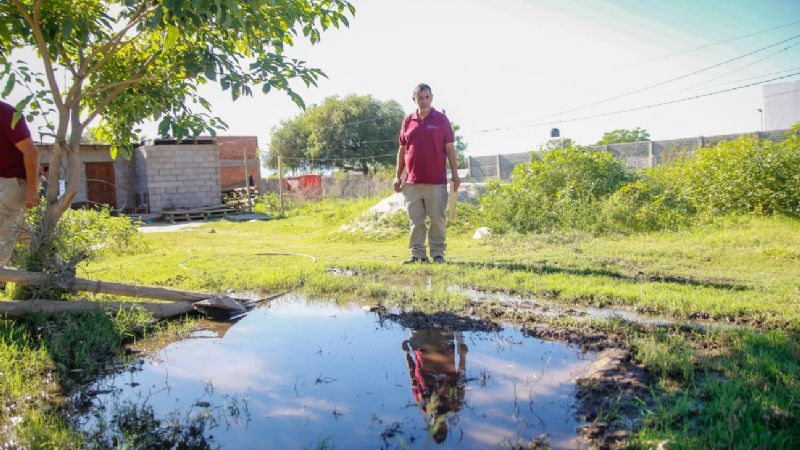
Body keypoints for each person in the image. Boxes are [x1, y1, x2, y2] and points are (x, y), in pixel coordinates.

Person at [394, 83, 461, 264]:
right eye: (420, 98)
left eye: (427, 97)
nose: (424, 101)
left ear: (431, 98)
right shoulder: (408, 121)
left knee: (437, 219)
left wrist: (455, 174)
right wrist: (397, 176)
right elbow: (402, 150)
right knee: (416, 221)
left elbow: (450, 148)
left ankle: (438, 254)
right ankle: (417, 255)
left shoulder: (441, 120)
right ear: (413, 99)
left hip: (436, 182)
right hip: (412, 182)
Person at [402, 328, 468, 444]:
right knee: (441, 314)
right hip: (443, 345)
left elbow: (414, 380)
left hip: (419, 346)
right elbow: (461, 378)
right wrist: (463, 355)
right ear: (446, 428)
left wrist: (407, 355)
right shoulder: (454, 405)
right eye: (442, 430)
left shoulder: (423, 405)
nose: (439, 427)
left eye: (436, 430)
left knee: (417, 315)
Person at [0, 100, 40, 267]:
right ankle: (49, 265)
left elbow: (31, 151)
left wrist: (32, 191)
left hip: (15, 180)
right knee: (23, 233)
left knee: (3, 230)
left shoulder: (7, 113)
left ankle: (1, 279)